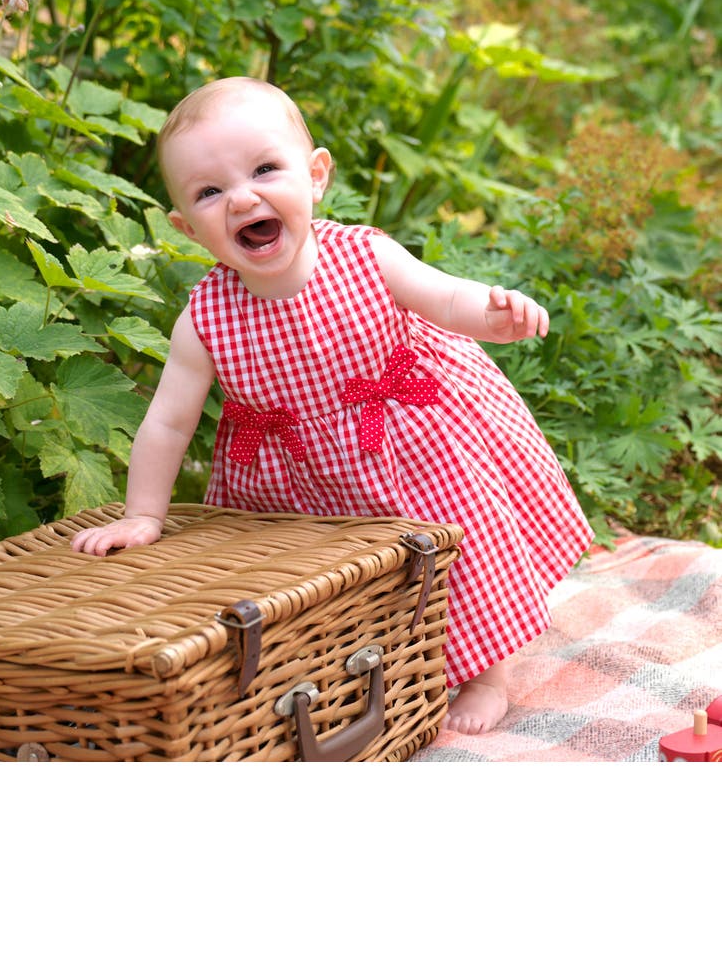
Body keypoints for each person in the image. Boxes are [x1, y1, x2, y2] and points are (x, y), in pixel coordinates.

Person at [71, 76, 594, 735]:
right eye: (210, 191)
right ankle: (345, 665)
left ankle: (486, 671)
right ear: (186, 226)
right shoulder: (204, 319)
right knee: (316, 583)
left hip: (414, 442)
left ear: (315, 177)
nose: (242, 197)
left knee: (457, 553)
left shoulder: (364, 255)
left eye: (265, 169)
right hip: (294, 476)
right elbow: (168, 422)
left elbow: (446, 300)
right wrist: (142, 514)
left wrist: (493, 316)